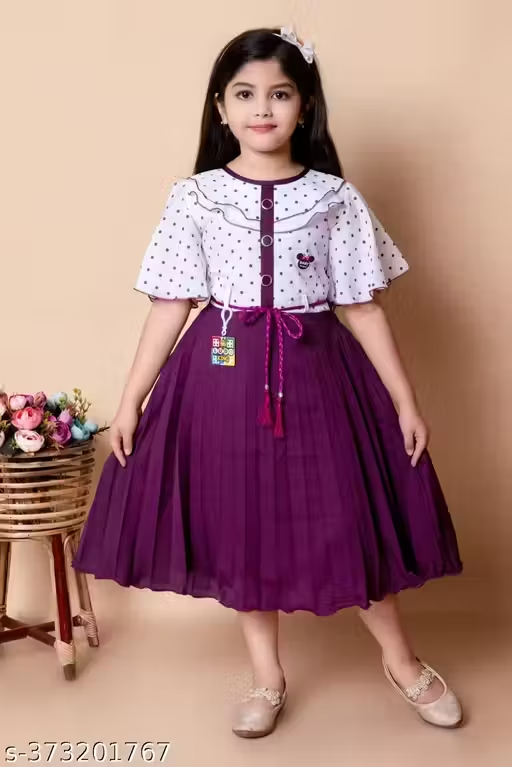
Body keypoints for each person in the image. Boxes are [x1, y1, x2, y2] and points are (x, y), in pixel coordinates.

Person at [73, 26, 464, 737]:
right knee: (240, 524)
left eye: (280, 94)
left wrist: (406, 401)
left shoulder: (335, 197)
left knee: (346, 517)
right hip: (219, 383)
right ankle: (266, 676)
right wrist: (131, 399)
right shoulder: (193, 197)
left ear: (305, 106)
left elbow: (361, 306)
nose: (262, 108)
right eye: (245, 94)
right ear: (220, 108)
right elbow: (170, 304)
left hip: (318, 378)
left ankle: (403, 662)